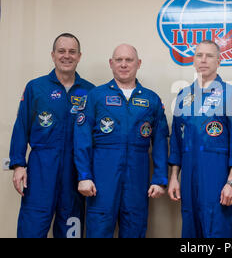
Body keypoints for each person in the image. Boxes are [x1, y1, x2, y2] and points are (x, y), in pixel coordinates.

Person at [74, 44, 169, 238]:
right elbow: (82, 138)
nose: (123, 64)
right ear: (111, 63)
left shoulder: (152, 100)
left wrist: (160, 179)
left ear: (138, 63)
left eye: (129, 60)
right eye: (119, 60)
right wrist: (84, 175)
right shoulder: (96, 96)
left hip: (137, 177)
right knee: (99, 228)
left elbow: (159, 142)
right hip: (102, 177)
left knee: (135, 228)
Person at [9, 33, 95, 238]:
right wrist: (18, 164)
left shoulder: (90, 92)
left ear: (79, 56)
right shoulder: (36, 87)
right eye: (62, 51)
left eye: (72, 52)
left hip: (75, 170)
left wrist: (90, 173)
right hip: (41, 167)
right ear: (53, 55)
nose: (67, 56)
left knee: (71, 226)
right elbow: (21, 126)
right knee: (33, 224)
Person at [168, 40, 232, 238]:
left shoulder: (231, 94)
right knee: (190, 228)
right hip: (188, 176)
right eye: (199, 55)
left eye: (209, 55)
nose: (203, 60)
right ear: (194, 60)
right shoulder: (183, 95)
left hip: (216, 175)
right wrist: (173, 177)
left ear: (219, 61)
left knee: (216, 228)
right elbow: (176, 141)